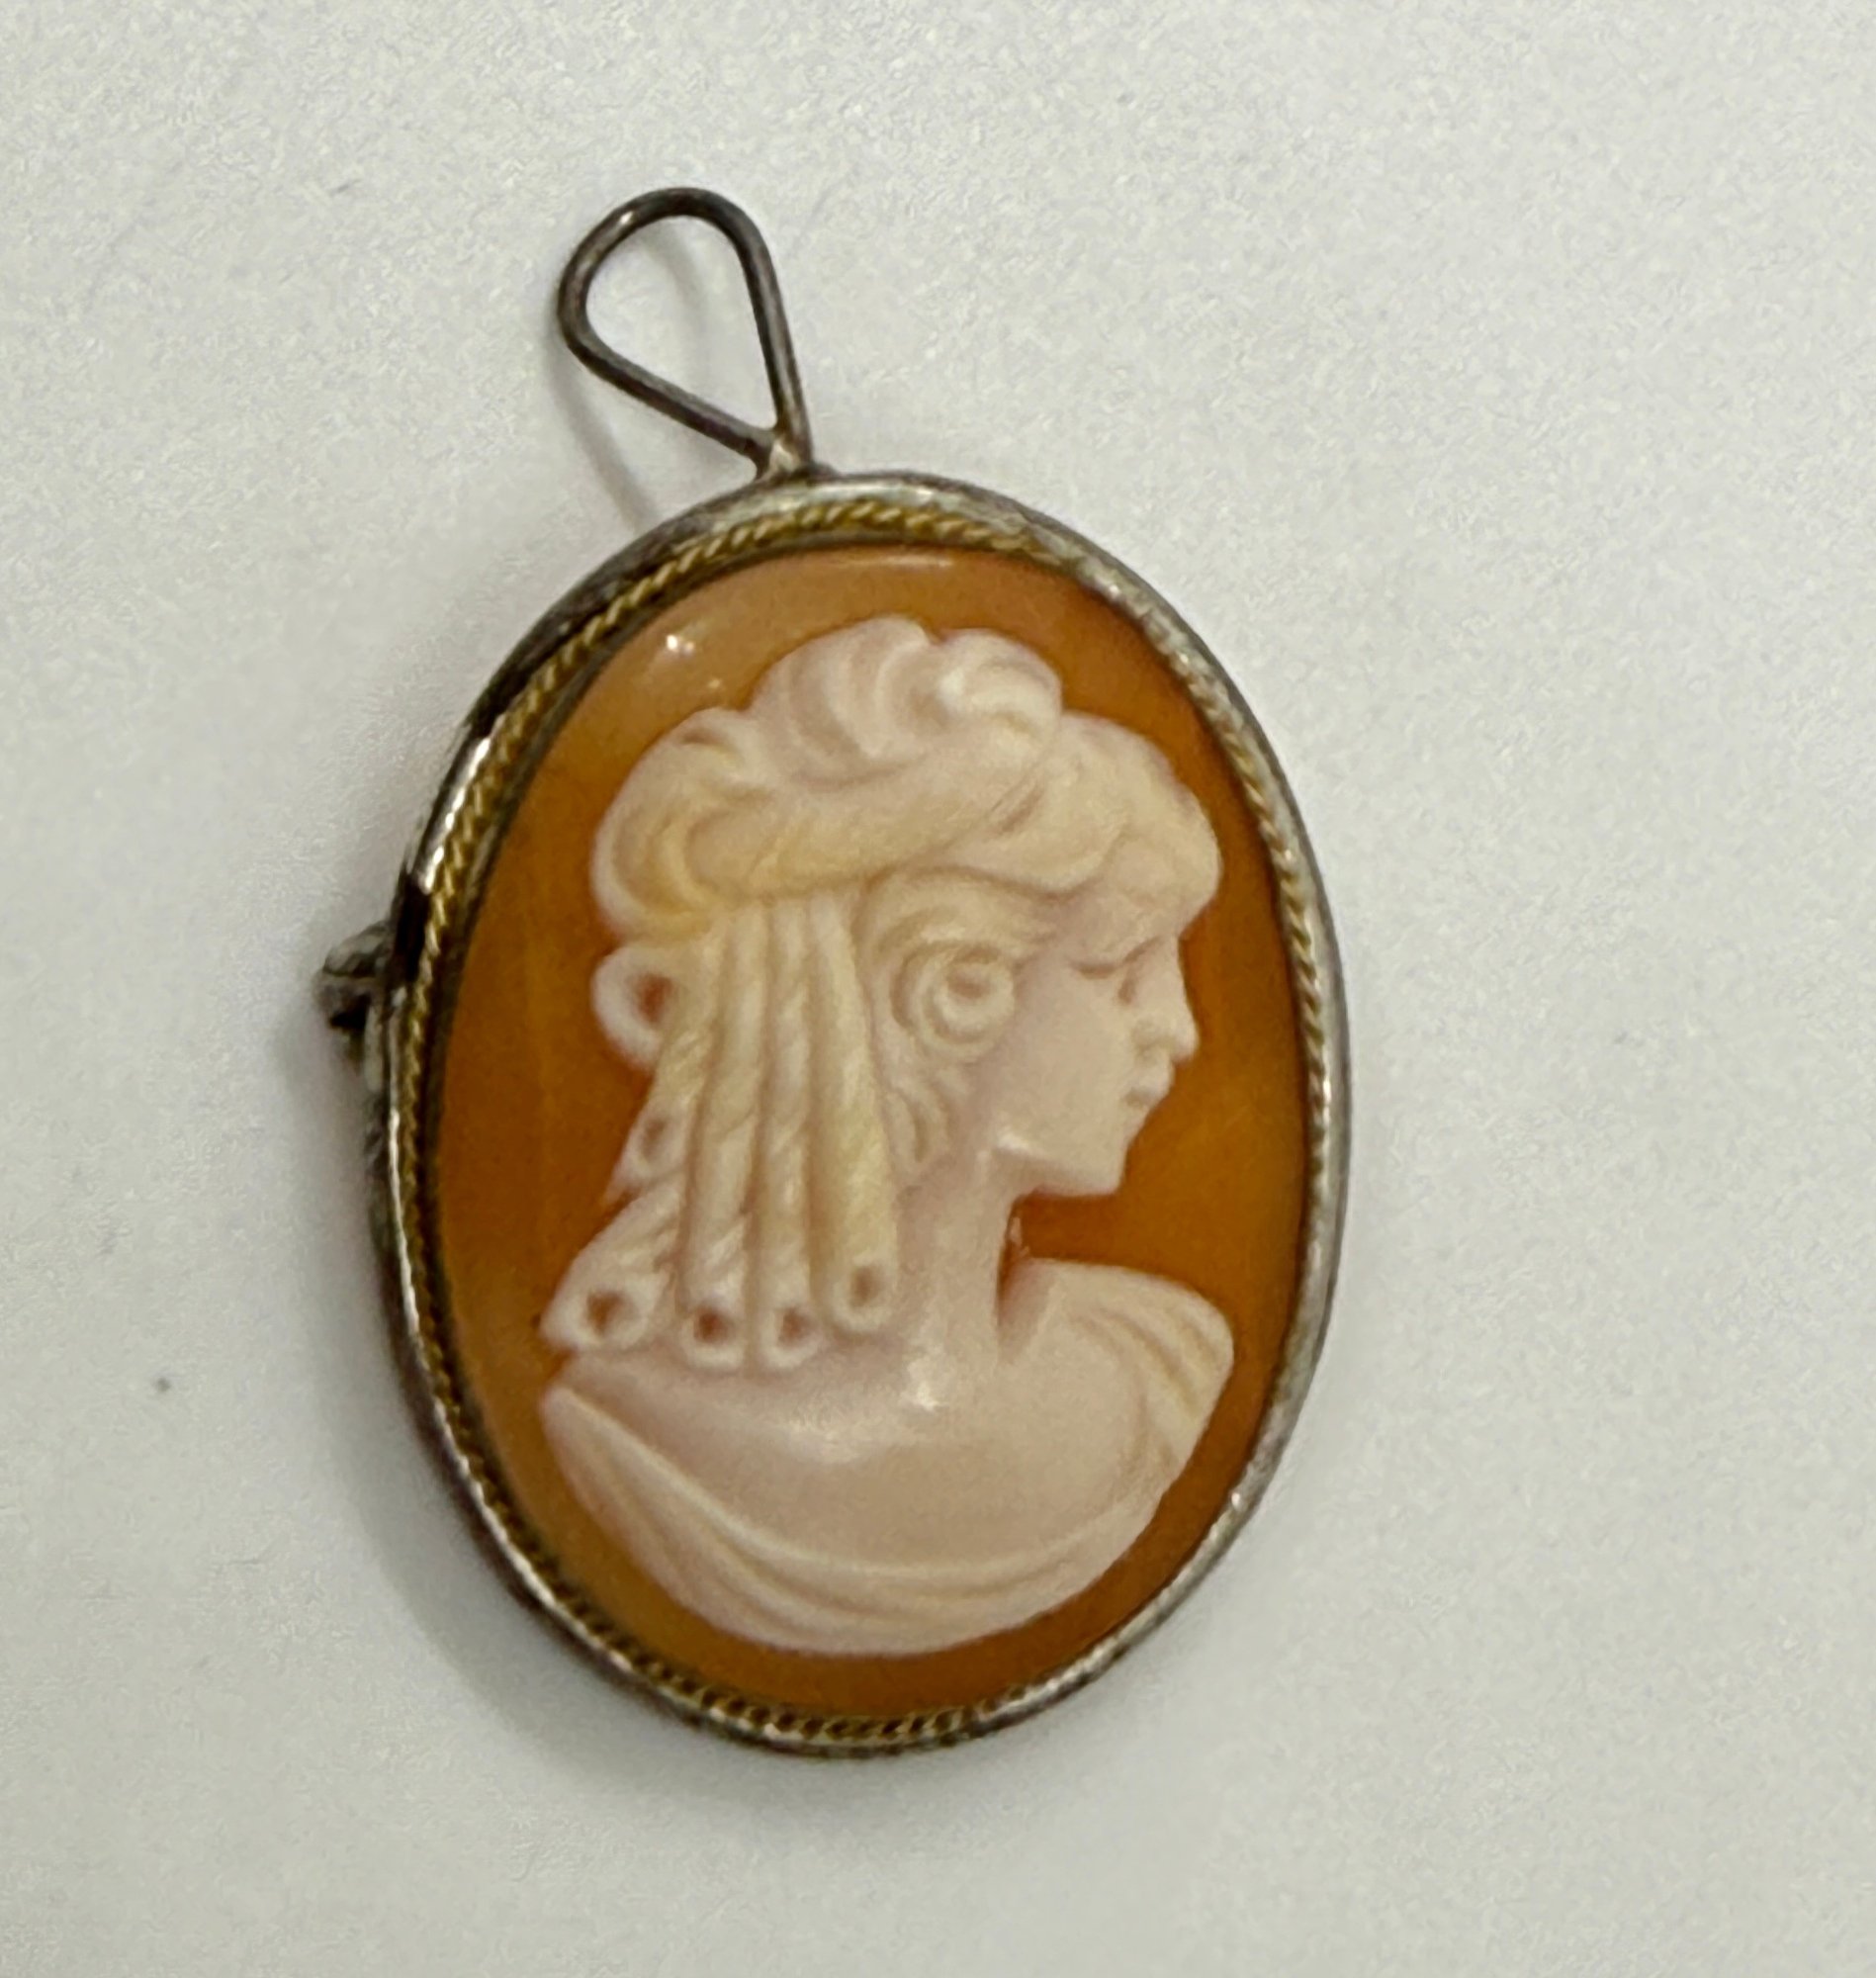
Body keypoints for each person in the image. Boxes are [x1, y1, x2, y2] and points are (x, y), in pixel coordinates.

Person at [539, 615, 1232, 1655]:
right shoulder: (634, 1443)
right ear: (938, 997)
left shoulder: (1152, 1365)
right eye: (1116, 968)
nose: (1177, 1030)